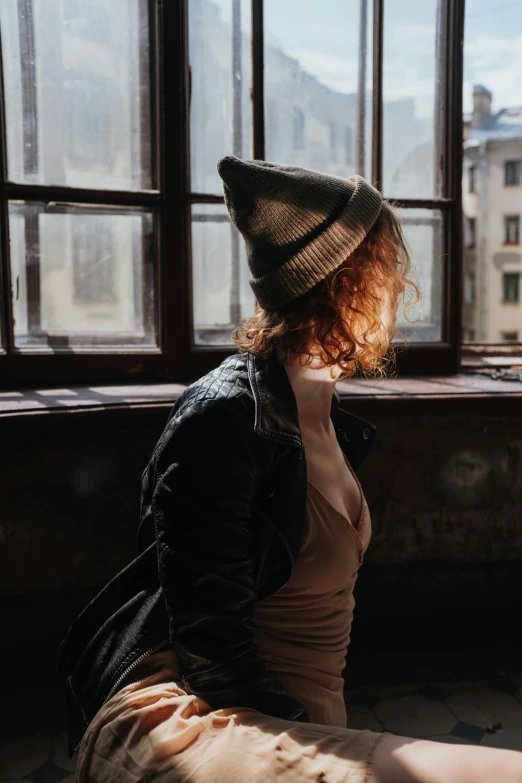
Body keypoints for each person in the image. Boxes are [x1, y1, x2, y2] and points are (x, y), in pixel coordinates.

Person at [58, 157, 522, 783]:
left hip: (286, 710)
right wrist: (305, 728)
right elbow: (211, 643)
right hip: (192, 711)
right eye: (385, 267)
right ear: (346, 281)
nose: (396, 288)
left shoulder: (324, 410)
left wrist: (322, 726)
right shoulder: (223, 419)